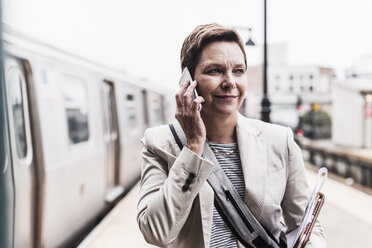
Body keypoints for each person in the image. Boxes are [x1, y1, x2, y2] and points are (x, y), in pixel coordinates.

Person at [137, 23, 326, 248]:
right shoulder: (160, 144)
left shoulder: (279, 141)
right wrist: (193, 147)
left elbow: (305, 227)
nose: (230, 82)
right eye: (215, 70)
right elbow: (156, 232)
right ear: (187, 79)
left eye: (238, 71)